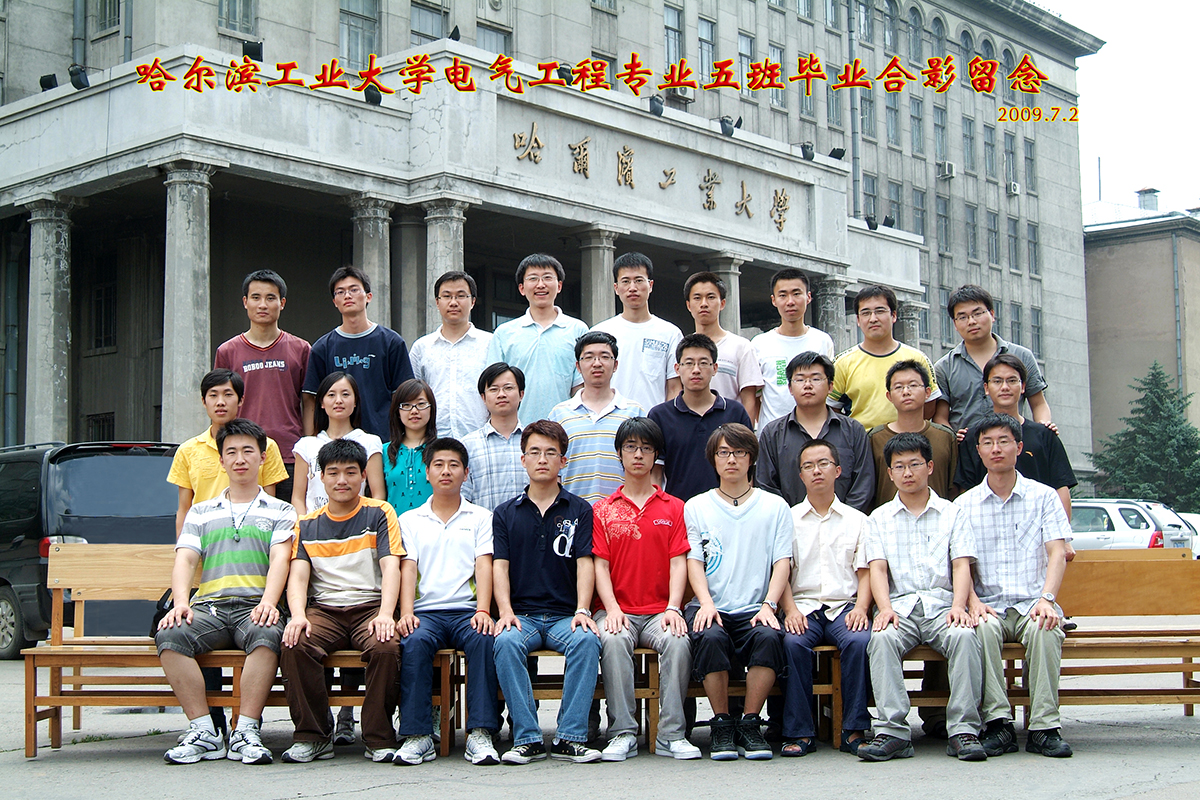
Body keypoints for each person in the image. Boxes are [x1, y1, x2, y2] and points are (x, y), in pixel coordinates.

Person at [156, 419, 296, 765]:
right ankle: (204, 731)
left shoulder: (281, 510)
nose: (240, 459)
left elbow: (280, 559)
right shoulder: (201, 512)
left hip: (255, 606)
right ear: (221, 461)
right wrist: (181, 602)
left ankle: (245, 731)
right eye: (231, 452)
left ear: (263, 457)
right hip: (210, 608)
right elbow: (186, 559)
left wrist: (269, 602)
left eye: (248, 451)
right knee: (170, 634)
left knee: (267, 634)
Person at [857, 433, 985, 763]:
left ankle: (964, 730)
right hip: (900, 607)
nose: (907, 472)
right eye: (899, 466)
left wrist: (959, 606)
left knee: (965, 637)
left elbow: (961, 564)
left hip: (943, 606)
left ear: (929, 467)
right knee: (881, 638)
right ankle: (893, 732)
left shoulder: (952, 513)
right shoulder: (878, 518)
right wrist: (884, 608)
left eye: (914, 464)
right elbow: (878, 569)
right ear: (889, 473)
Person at [956, 413, 1073, 759]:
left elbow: (1057, 552)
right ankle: (999, 725)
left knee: (1045, 628)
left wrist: (1047, 599)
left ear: (1019, 448)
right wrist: (972, 601)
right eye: (988, 443)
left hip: (1033, 600)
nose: (996, 449)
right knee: (981, 628)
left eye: (1004, 441)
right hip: (988, 603)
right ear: (978, 450)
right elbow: (960, 563)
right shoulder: (963, 506)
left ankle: (1044, 728)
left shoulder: (1044, 497)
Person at [280, 439, 404, 764]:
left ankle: (378, 736)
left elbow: (391, 566)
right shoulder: (307, 524)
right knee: (295, 643)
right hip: (325, 610)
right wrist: (297, 615)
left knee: (386, 645)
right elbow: (298, 577)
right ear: (321, 477)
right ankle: (314, 735)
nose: (342, 480)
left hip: (370, 607)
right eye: (333, 473)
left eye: (350, 472)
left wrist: (387, 614)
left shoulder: (380, 513)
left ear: (363, 475)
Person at [491, 420, 602, 764]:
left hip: (564, 616)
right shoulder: (505, 513)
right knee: (505, 642)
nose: (542, 459)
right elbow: (500, 567)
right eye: (535, 452)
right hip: (522, 615)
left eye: (551, 452)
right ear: (522, 459)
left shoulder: (580, 509)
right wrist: (505, 611)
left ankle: (570, 736)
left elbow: (585, 563)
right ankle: (527, 738)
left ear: (563, 461)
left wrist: (582, 609)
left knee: (586, 641)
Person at [593, 417, 700, 761]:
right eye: (630, 447)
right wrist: (612, 609)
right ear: (619, 454)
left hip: (659, 611)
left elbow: (679, 562)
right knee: (612, 640)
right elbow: (600, 566)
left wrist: (673, 607)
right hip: (617, 609)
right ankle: (622, 732)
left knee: (678, 641)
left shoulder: (675, 507)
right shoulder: (603, 510)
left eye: (646, 448)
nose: (638, 454)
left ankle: (671, 734)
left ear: (656, 456)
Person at [684, 423, 791, 761]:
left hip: (756, 606)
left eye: (739, 452)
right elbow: (694, 561)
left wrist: (770, 605)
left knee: (769, 638)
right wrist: (705, 603)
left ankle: (749, 722)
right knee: (710, 637)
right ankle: (721, 724)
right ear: (713, 459)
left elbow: (782, 562)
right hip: (711, 604)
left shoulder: (775, 506)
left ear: (751, 458)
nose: (731, 459)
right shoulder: (696, 506)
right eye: (723, 452)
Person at [394, 438, 501, 767]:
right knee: (413, 641)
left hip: (467, 610)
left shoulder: (481, 517)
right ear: (426, 472)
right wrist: (406, 612)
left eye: (454, 465)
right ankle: (418, 735)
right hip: (426, 613)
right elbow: (407, 567)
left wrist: (483, 610)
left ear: (466, 473)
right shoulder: (410, 520)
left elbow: (484, 565)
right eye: (438, 465)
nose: (446, 471)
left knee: (484, 638)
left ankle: (480, 732)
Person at [778, 439, 872, 758]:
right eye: (808, 466)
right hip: (802, 607)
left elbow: (865, 572)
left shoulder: (857, 520)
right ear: (801, 475)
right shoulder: (788, 519)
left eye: (823, 464)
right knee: (793, 643)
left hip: (844, 607)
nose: (816, 471)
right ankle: (800, 732)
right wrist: (789, 610)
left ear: (838, 470)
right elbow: (781, 571)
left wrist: (862, 608)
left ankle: (853, 729)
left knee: (859, 641)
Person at [214, 269, 310, 502]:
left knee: (289, 520)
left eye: (270, 298)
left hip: (290, 455)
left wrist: (308, 446)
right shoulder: (227, 351)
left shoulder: (301, 349)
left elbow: (309, 403)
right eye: (255, 297)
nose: (263, 305)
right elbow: (219, 404)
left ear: (282, 303)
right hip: (243, 455)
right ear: (245, 302)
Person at [168, 369, 289, 535]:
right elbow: (184, 509)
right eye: (213, 395)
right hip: (205, 538)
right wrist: (183, 547)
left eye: (228, 395)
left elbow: (270, 504)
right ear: (203, 401)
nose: (220, 402)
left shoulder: (266, 446)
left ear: (241, 400)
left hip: (252, 538)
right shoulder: (187, 450)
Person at [954, 355, 1077, 517]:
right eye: (997, 381)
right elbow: (966, 491)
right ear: (986, 388)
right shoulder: (972, 437)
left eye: (1012, 380)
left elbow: (1061, 488)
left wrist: (1061, 530)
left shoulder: (1045, 435)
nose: (1005, 387)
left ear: (1023, 386)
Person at [303, 265, 414, 441]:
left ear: (368, 296)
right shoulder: (322, 348)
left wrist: (402, 440)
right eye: (340, 292)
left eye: (354, 290)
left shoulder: (391, 342)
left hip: (383, 441)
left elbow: (405, 395)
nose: (347, 295)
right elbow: (311, 398)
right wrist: (311, 441)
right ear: (334, 301)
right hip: (335, 444)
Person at [757, 352, 874, 512]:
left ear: (830, 386)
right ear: (790, 388)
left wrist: (843, 518)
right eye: (800, 380)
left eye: (816, 379)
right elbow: (766, 485)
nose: (807, 385)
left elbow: (864, 483)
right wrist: (790, 519)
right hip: (791, 523)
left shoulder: (853, 430)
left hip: (846, 523)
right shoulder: (773, 434)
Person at [933, 284, 1052, 436]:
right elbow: (940, 416)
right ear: (955, 324)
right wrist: (953, 438)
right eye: (962, 317)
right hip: (966, 447)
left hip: (1013, 443)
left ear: (992, 314)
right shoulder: (944, 367)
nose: (971, 321)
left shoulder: (1022, 356)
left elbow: (1038, 404)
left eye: (977, 313)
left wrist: (1043, 431)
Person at [648, 333, 753, 501]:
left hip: (727, 506)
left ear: (715, 368)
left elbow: (748, 467)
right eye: (689, 363)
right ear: (677, 368)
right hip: (679, 509)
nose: (696, 370)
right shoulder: (660, 416)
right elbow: (655, 474)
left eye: (703, 363)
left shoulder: (735, 412)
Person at [486, 254, 588, 426]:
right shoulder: (504, 333)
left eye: (547, 278)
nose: (541, 285)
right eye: (533, 278)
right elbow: (494, 386)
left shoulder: (578, 330)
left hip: (564, 429)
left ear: (559, 285)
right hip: (517, 431)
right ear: (521, 288)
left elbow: (580, 387)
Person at [549, 331, 644, 504]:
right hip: (572, 512)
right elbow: (553, 471)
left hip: (623, 512)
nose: (597, 363)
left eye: (605, 357)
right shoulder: (559, 414)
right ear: (578, 366)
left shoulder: (634, 412)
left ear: (615, 365)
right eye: (589, 357)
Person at [828, 285, 941, 431]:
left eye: (880, 311)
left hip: (908, 440)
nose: (873, 319)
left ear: (893, 315)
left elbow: (930, 404)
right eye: (866, 313)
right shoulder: (842, 363)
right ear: (858, 319)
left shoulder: (917, 358)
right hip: (862, 441)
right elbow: (831, 407)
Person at [591, 252, 683, 412]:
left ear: (650, 285)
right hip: (609, 420)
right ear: (616, 288)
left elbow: (674, 388)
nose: (632, 288)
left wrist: (667, 421)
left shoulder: (670, 333)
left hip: (653, 423)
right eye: (625, 281)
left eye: (639, 280)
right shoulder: (599, 332)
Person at [410, 271, 492, 439]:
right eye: (447, 296)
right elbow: (411, 395)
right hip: (433, 440)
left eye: (461, 296)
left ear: (473, 301)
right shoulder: (421, 347)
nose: (453, 302)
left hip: (480, 438)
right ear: (437, 302)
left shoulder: (490, 344)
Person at [291, 371, 386, 515]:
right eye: (331, 395)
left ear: (355, 401)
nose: (339, 400)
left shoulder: (369, 442)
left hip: (356, 523)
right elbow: (298, 497)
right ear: (322, 402)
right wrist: (303, 524)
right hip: (314, 524)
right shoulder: (305, 445)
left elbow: (378, 494)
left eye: (345, 394)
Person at [868, 360, 958, 507]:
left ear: (928, 392)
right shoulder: (875, 438)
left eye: (913, 385)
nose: (906, 392)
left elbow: (953, 487)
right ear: (889, 396)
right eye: (898, 387)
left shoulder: (945, 437)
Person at [750, 269, 834, 426]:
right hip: (773, 433)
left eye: (796, 294)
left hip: (816, 432)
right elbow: (754, 395)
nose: (790, 301)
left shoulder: (822, 341)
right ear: (774, 300)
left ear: (808, 297)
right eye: (783, 295)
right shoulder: (759, 343)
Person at [684, 271, 764, 424]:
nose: (704, 304)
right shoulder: (683, 348)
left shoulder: (742, 347)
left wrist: (743, 434)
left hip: (730, 432)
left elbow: (749, 400)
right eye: (697, 298)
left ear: (722, 303)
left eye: (711, 297)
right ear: (688, 305)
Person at [461, 362, 527, 511]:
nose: (501, 394)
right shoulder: (468, 445)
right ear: (483, 398)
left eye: (508, 388)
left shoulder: (534, 442)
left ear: (521, 394)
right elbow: (463, 498)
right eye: (493, 389)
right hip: (485, 525)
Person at [383, 378, 438, 513]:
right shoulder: (383, 451)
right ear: (397, 411)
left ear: (431, 409)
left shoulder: (442, 449)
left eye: (421, 404)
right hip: (394, 524)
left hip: (434, 524)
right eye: (406, 405)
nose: (414, 411)